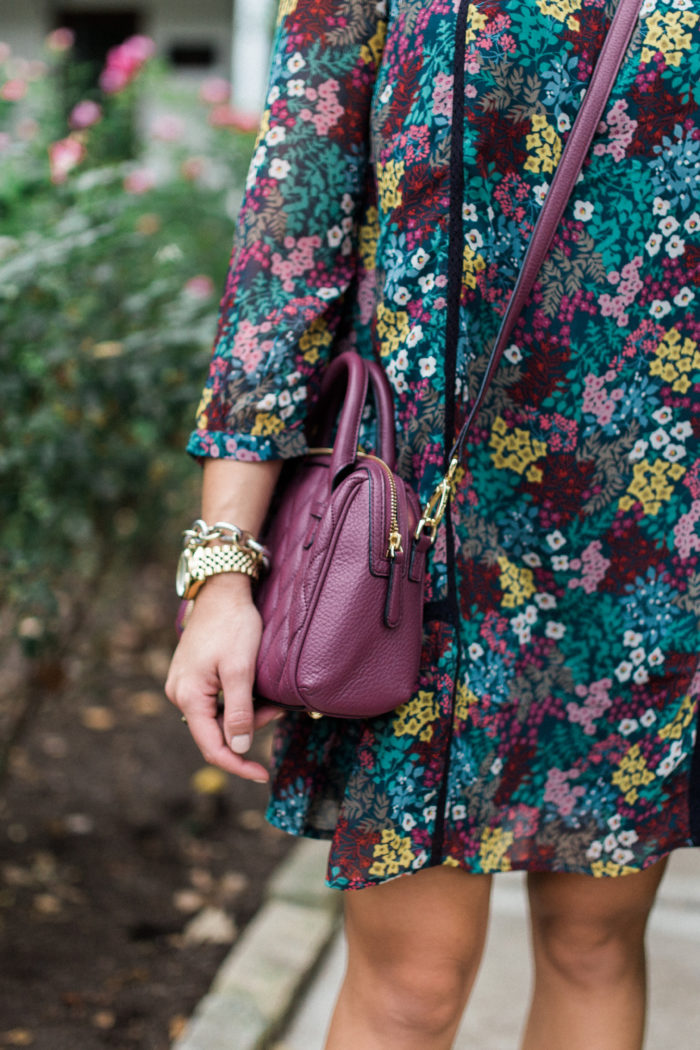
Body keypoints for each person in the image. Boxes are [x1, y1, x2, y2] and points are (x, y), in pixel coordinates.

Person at [166, 1, 700, 1047]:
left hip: (651, 540)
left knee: (592, 948)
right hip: (417, 544)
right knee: (412, 986)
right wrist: (222, 573)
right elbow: (288, 251)